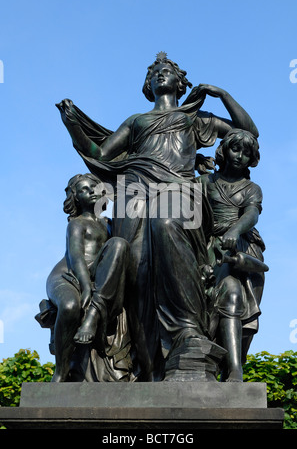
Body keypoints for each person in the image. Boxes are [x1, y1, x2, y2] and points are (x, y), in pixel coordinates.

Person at [56, 52, 259, 381]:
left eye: (167, 72)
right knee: (135, 264)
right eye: (155, 73)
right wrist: (73, 126)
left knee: (165, 225)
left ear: (180, 83)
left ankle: (188, 334)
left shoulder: (195, 118)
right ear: (148, 85)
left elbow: (249, 131)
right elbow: (100, 153)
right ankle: (147, 366)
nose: (160, 75)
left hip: (181, 192)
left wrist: (221, 94)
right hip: (135, 191)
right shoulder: (136, 121)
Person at [45, 173, 130, 382]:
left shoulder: (111, 225)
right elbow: (76, 258)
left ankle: (93, 317)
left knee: (119, 243)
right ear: (75, 197)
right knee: (69, 307)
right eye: (84, 189)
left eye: (94, 187)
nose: (91, 191)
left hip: (95, 276)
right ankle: (61, 371)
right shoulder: (76, 224)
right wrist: (85, 287)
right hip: (67, 276)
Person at [198, 129, 267, 382]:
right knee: (229, 295)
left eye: (246, 153)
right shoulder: (204, 183)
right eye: (235, 149)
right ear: (223, 151)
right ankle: (230, 368)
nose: (239, 156)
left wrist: (235, 229)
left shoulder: (252, 188)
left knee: (241, 305)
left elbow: (252, 214)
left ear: (252, 159)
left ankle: (235, 367)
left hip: (243, 248)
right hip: (210, 248)